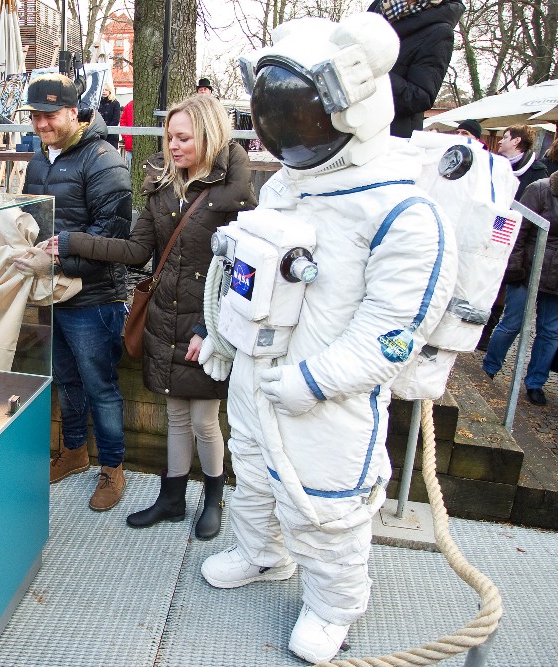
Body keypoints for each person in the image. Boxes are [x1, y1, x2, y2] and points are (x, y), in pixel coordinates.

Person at [200, 14, 456, 663]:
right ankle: (260, 552)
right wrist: (225, 341)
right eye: (275, 117)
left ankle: (333, 602)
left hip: (326, 400)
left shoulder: (402, 212)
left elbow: (394, 334)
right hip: (258, 377)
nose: (287, 133)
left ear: (353, 106)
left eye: (301, 117)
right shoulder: (286, 187)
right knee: (253, 474)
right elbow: (245, 273)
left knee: (325, 505)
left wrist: (312, 380)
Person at [45, 94, 256, 538]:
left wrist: (210, 330)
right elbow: (137, 251)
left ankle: (213, 499)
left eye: (184, 138)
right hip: (165, 317)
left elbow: (244, 271)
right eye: (170, 137)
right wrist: (73, 242)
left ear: (209, 135)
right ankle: (172, 498)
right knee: (176, 417)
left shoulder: (235, 196)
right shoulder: (164, 186)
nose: (173, 146)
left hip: (211, 324)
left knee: (204, 420)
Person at [16, 74, 132, 511]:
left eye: (49, 115)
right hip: (50, 293)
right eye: (35, 116)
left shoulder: (105, 161)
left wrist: (59, 260)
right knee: (64, 379)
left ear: (73, 112)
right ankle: (75, 452)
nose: (41, 124)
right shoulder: (37, 161)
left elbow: (112, 241)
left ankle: (113, 467)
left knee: (100, 385)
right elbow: (29, 220)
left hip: (95, 297)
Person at [482, 172, 558, 406]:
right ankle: (488, 369)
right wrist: (514, 268)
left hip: (556, 281)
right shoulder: (540, 189)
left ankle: (535, 382)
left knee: (550, 333)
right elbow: (518, 230)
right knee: (512, 323)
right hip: (529, 269)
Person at [368, 0, 464, 138]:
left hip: (390, 138)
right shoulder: (377, 12)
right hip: (346, 129)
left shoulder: (439, 31)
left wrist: (376, 73)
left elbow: (421, 97)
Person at [496, 124, 548, 200]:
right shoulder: (494, 163)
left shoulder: (537, 171)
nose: (499, 141)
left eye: (505, 137)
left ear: (516, 141)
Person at [97, 83, 122, 150]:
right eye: (102, 90)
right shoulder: (97, 103)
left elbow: (116, 120)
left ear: (110, 91)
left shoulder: (115, 103)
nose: (104, 91)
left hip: (111, 136)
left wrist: (106, 129)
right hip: (98, 135)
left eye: (106, 90)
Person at [121, 98, 134, 169]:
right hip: (130, 142)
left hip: (130, 141)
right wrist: (126, 136)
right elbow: (123, 122)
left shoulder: (129, 105)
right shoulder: (129, 105)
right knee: (130, 165)